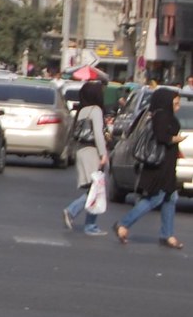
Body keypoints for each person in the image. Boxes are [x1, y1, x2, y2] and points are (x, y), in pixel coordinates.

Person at [112, 87, 184, 249]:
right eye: (176, 103)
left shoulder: (161, 115)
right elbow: (162, 137)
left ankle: (168, 235)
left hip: (166, 166)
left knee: (170, 198)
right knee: (155, 198)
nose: (178, 107)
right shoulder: (162, 116)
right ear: (166, 102)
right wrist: (176, 138)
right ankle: (123, 224)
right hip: (160, 167)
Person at [62, 79, 108, 235]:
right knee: (95, 189)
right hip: (91, 151)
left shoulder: (82, 111)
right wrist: (103, 154)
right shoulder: (96, 110)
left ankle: (90, 224)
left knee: (94, 188)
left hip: (81, 150)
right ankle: (74, 212)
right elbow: (98, 135)